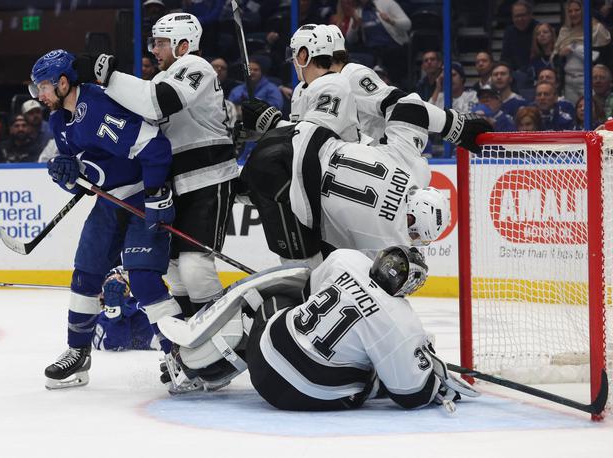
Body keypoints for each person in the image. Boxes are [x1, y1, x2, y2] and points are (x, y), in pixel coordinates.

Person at [156, 246, 479, 411]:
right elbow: (410, 395)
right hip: (305, 397)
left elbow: (307, 290)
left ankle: (195, 366)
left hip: (262, 362)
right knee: (376, 369)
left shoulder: (348, 259)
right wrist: (430, 374)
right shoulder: (401, 322)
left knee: (268, 306)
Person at [30, 49, 178, 389]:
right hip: (111, 203)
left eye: (44, 86)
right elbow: (83, 181)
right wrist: (67, 176)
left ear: (64, 83)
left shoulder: (97, 105)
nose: (40, 94)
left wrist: (156, 193)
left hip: (142, 194)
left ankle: (179, 356)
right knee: (86, 273)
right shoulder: (58, 121)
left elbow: (154, 147)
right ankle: (77, 353)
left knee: (142, 278)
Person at [76, 13, 238, 318]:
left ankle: (226, 335)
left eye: (161, 42)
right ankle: (193, 341)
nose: (154, 49)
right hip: (175, 183)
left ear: (184, 44)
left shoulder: (196, 67)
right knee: (175, 268)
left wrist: (110, 75)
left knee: (194, 266)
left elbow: (159, 102)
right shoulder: (163, 77)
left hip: (208, 179)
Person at [239, 92, 490, 266]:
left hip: (294, 134)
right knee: (309, 281)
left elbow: (410, 105)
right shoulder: (391, 241)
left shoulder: (416, 169)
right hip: (278, 179)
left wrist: (454, 127)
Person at [554, 0, 611, 104]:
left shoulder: (597, 29)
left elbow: (605, 55)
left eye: (577, 10)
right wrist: (560, 54)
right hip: (568, 81)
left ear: (584, 10)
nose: (573, 14)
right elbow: (554, 57)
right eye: (570, 11)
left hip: (590, 80)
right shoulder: (564, 31)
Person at [500, 0, 539, 73]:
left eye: (523, 15)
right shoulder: (509, 32)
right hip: (515, 74)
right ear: (512, 17)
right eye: (516, 16)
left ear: (530, 15)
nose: (520, 19)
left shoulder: (539, 29)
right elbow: (505, 57)